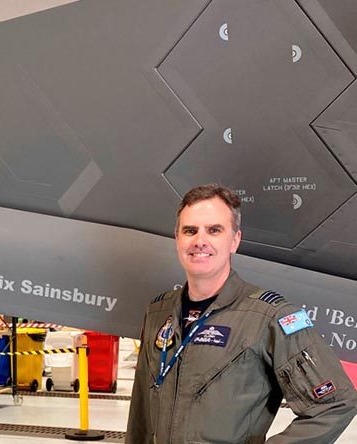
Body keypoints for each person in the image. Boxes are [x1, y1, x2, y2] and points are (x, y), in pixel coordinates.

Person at [126, 184, 357, 443]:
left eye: (214, 230)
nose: (199, 241)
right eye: (190, 230)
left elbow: (335, 403)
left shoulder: (269, 317)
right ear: (178, 239)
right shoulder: (159, 312)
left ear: (235, 240)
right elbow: (141, 414)